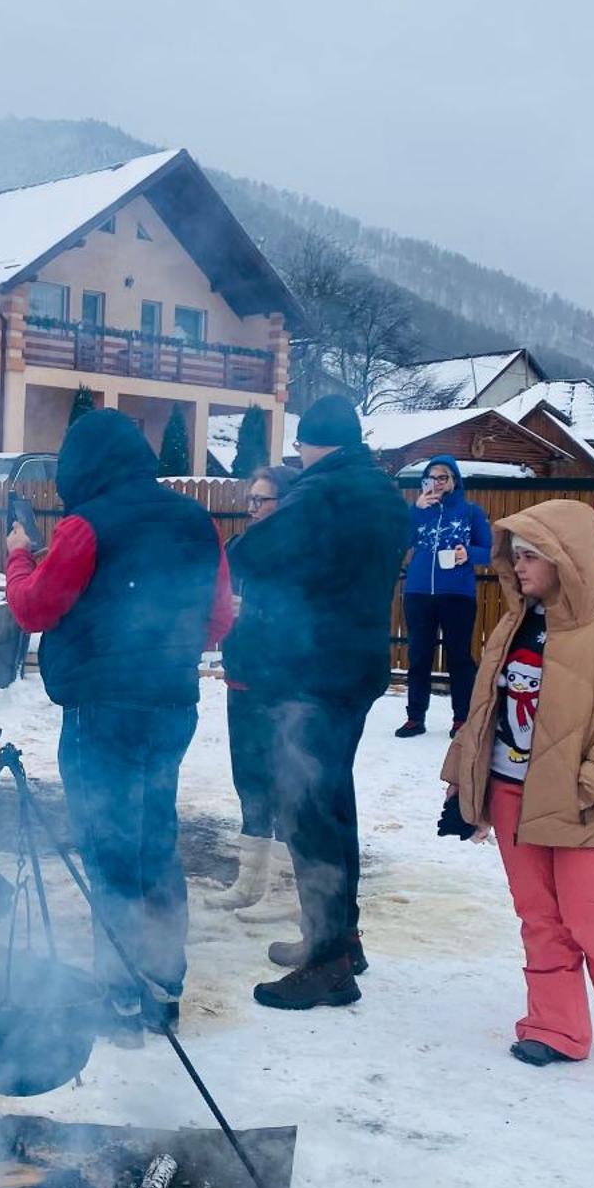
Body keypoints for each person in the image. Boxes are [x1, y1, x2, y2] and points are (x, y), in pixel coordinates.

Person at [4, 408, 233, 1036]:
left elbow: (33, 607)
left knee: (108, 845)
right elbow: (217, 620)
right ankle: (163, 985)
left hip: (101, 710)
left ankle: (121, 995)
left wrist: (19, 556)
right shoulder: (196, 520)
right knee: (154, 839)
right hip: (170, 705)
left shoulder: (87, 525)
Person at [441, 501, 594, 1066]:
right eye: (514, 557)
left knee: (589, 909)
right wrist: (461, 785)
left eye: (531, 556)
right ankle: (556, 1028)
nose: (519, 569)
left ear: (569, 558)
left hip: (590, 800)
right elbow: (485, 708)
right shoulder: (514, 624)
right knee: (539, 916)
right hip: (513, 793)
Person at [232, 395, 410, 1013]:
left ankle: (329, 963)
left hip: (311, 675)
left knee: (307, 809)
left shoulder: (320, 492)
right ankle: (338, 937)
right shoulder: (385, 492)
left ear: (310, 443)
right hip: (357, 665)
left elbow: (254, 553)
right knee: (333, 800)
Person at [217, 463, 298, 917]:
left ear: (282, 504)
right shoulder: (239, 548)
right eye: (249, 500)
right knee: (248, 780)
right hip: (241, 676)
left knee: (285, 782)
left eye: (260, 501)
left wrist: (254, 610)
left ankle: (286, 891)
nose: (251, 509)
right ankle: (249, 881)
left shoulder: (295, 553)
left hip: (282, 685)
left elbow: (302, 620)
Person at [396, 455, 493, 739]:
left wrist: (469, 555)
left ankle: (462, 718)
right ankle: (415, 718)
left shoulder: (470, 512)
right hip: (418, 593)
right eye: (432, 477)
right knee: (419, 656)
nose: (437, 483)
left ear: (454, 481)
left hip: (458, 594)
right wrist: (415, 511)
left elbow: (490, 550)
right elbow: (400, 541)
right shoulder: (417, 510)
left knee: (459, 658)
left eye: (443, 477)